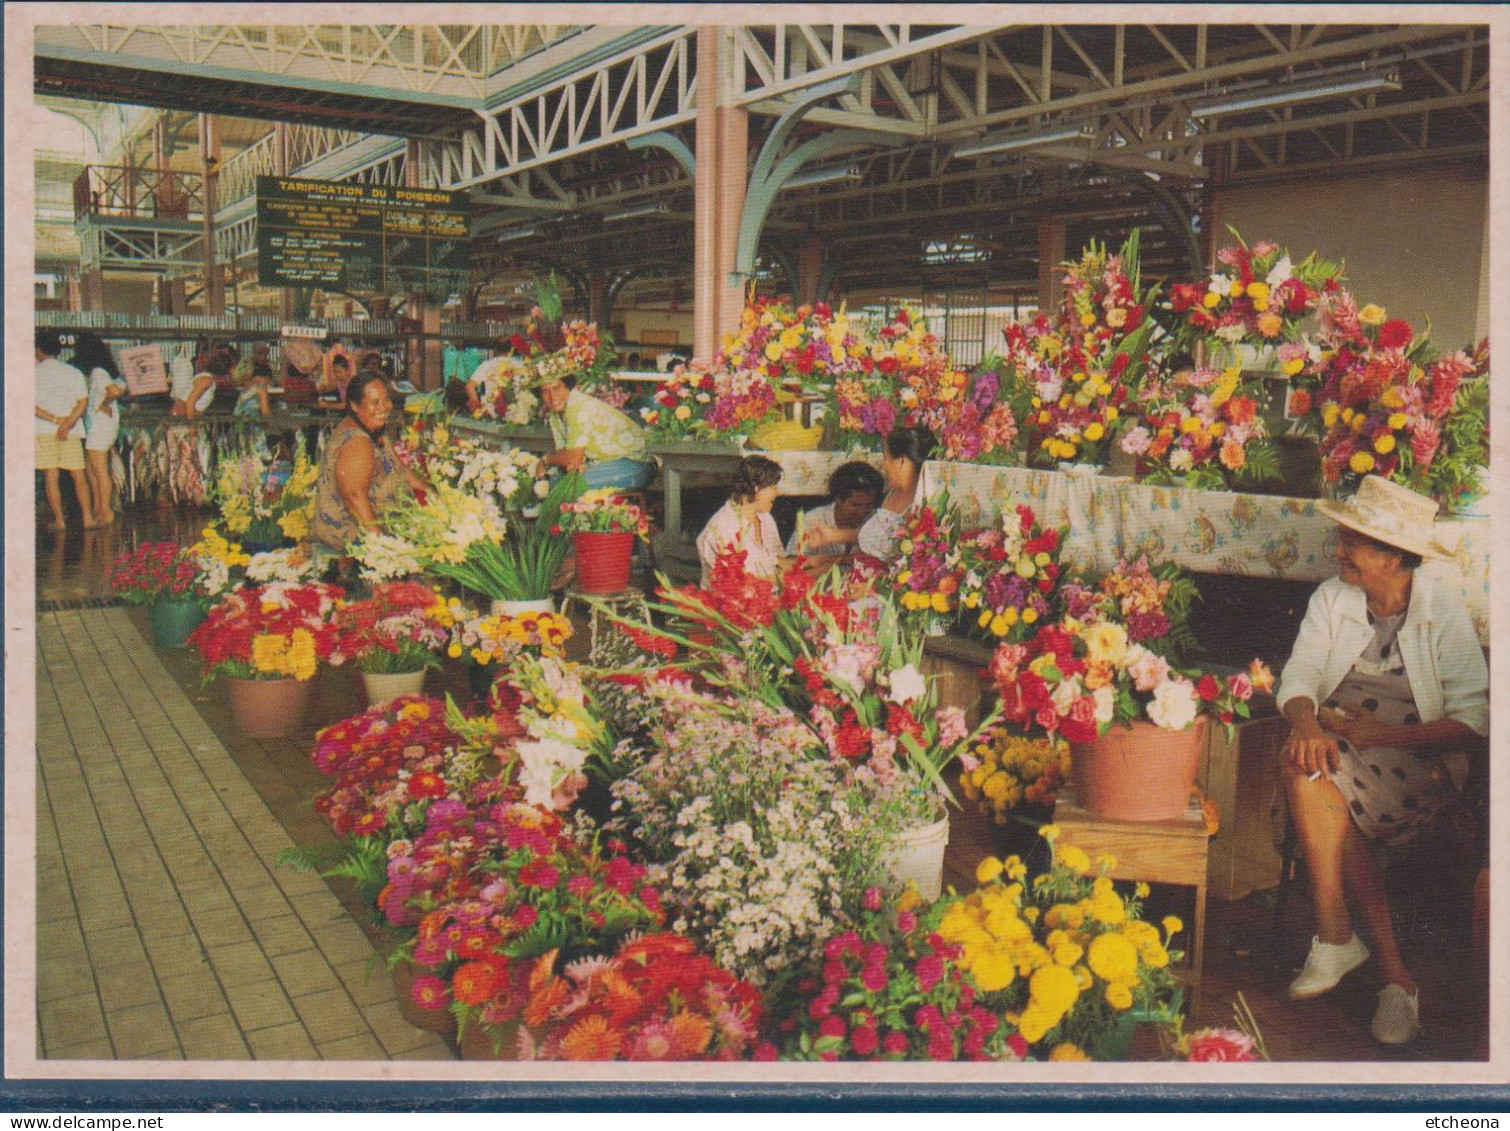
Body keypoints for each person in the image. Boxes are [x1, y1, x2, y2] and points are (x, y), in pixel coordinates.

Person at [1277, 475, 1488, 1046]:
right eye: (1344, 538)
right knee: (1306, 763)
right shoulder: (1332, 597)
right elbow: (1299, 675)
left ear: (1396, 559)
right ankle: (1383, 970)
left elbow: (1477, 720)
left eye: (1355, 543)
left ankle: (1348, 947)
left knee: (1315, 782)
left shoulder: (1441, 608)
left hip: (1421, 764)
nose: (1339, 552)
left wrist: (1384, 736)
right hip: (1340, 749)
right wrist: (1306, 721)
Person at [312, 372, 426, 556]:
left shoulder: (374, 431)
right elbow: (355, 496)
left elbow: (400, 470)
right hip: (355, 547)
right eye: (374, 402)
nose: (384, 407)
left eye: (386, 399)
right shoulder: (357, 441)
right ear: (355, 406)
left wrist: (435, 499)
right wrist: (381, 548)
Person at [804, 425, 935, 564]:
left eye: (886, 458)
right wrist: (832, 537)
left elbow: (891, 548)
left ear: (902, 461)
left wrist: (834, 546)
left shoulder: (923, 500)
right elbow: (877, 537)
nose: (884, 466)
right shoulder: (894, 493)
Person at [538, 374, 656, 491]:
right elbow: (566, 455)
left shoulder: (578, 405)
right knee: (552, 483)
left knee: (571, 487)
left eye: (556, 388)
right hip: (601, 463)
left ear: (568, 386)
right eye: (545, 391)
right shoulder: (555, 415)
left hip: (635, 463)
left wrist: (546, 460)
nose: (552, 396)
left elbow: (572, 457)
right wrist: (572, 465)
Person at [695, 455, 794, 586]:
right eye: (773, 487)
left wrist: (812, 562)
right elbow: (737, 586)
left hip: (770, 596)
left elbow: (777, 561)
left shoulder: (765, 518)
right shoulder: (721, 528)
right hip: (735, 602)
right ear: (756, 488)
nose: (777, 493)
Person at [34, 330, 96, 532]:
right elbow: (83, 402)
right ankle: (88, 518)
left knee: (51, 476)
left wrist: (55, 420)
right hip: (71, 431)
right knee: (79, 476)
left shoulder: (32, 374)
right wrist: (68, 423)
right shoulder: (73, 372)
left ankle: (60, 520)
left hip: (44, 430)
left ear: (38, 350)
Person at [71, 331, 127, 527]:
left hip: (99, 427)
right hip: (101, 427)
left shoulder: (98, 372)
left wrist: (105, 402)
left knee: (99, 470)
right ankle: (98, 507)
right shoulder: (107, 371)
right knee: (94, 470)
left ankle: (106, 511)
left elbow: (114, 391)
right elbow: (121, 387)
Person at [786, 460, 885, 558]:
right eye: (855, 505)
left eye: (868, 505)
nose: (862, 512)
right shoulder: (812, 520)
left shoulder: (877, 520)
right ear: (838, 499)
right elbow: (792, 562)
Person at [171, 346, 226, 420]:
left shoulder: (207, 378)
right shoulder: (207, 379)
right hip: (182, 418)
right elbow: (190, 401)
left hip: (185, 417)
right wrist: (192, 425)